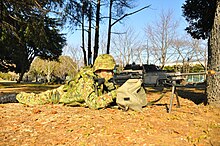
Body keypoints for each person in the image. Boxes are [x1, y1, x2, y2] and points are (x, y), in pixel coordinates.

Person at [15, 54, 118, 109]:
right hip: (60, 95)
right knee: (34, 99)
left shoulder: (102, 81)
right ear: (99, 70)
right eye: (109, 71)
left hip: (69, 95)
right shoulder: (87, 80)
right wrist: (115, 93)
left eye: (112, 71)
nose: (111, 74)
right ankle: (15, 96)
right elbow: (94, 103)